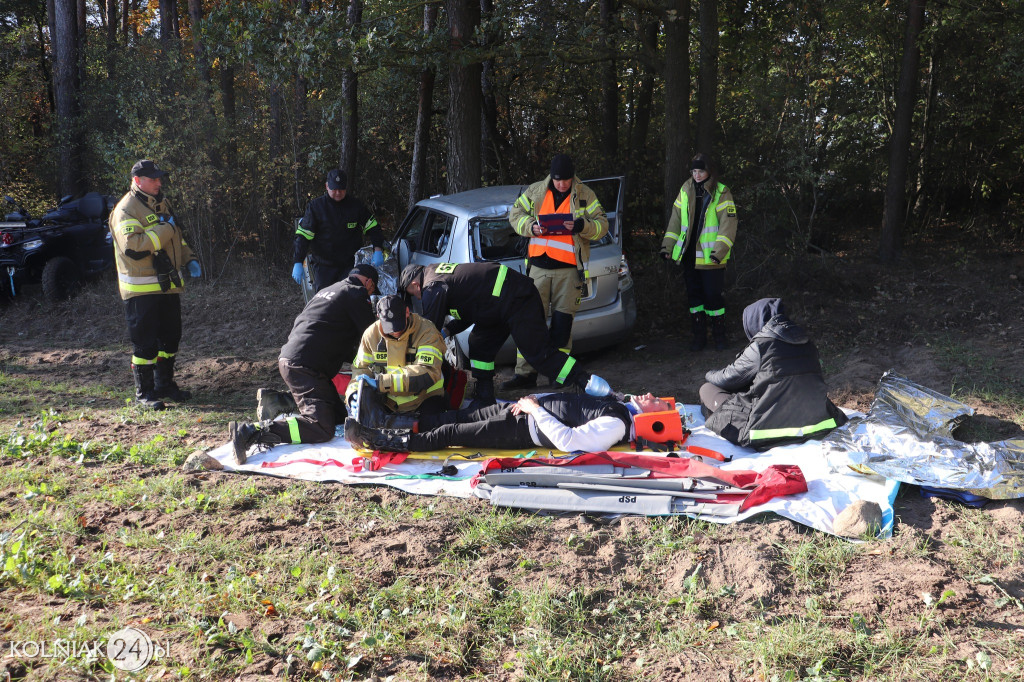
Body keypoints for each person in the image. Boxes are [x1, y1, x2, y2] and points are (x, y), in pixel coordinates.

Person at [398, 262, 612, 406]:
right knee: (479, 344)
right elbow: (470, 310)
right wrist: (447, 331)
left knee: (537, 353)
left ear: (415, 284)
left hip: (518, 300)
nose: (417, 297)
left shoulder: (432, 286)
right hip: (495, 305)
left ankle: (585, 383)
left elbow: (428, 329)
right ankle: (484, 397)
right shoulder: (439, 275)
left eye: (413, 294)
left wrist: (414, 351)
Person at [229, 264, 379, 464]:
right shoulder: (356, 292)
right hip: (305, 366)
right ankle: (253, 431)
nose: (370, 293)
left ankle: (282, 401)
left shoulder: (327, 290)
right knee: (321, 427)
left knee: (338, 418)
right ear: (369, 282)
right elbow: (370, 334)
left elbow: (324, 328)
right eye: (372, 289)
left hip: (297, 359)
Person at [503, 154, 609, 390]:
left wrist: (582, 226)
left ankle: (558, 374)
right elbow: (515, 214)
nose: (562, 184)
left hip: (569, 270)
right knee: (529, 322)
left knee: (562, 325)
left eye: (566, 180)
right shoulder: (536, 191)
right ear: (552, 176)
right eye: (558, 180)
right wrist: (530, 227)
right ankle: (524, 374)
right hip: (538, 269)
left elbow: (602, 225)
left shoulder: (585, 194)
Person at [109, 159, 202, 410]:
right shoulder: (125, 209)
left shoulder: (161, 203)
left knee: (171, 339)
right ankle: (145, 393)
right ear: (137, 181)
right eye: (153, 179)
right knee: (145, 344)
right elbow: (134, 247)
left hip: (168, 285)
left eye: (159, 178)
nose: (159, 182)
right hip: (141, 289)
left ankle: (165, 385)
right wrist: (164, 229)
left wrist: (189, 258)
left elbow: (176, 239)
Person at [698, 297, 848, 450]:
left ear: (754, 321)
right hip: (818, 422)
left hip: (767, 431)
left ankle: (713, 415)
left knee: (707, 388)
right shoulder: (807, 343)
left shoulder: (761, 346)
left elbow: (727, 379)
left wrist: (709, 374)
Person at [345, 392, 674, 453]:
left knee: (449, 433)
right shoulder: (622, 407)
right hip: (519, 410)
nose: (649, 393)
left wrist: (534, 410)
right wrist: (531, 402)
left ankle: (378, 439)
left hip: (521, 428)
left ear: (655, 417)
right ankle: (395, 423)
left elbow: (569, 442)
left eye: (655, 399)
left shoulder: (616, 425)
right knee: (452, 416)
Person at [660, 153, 738, 351]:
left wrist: (718, 252)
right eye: (694, 171)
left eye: (700, 171)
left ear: (709, 171)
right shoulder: (685, 189)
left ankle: (720, 338)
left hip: (711, 257)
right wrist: (667, 247)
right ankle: (699, 338)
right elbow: (675, 221)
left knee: (713, 298)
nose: (696, 175)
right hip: (689, 256)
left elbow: (728, 225)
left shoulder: (722, 192)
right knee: (694, 299)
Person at [344, 294, 448, 418]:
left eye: (399, 325)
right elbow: (360, 370)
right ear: (379, 318)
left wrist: (380, 383)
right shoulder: (371, 335)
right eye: (390, 328)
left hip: (424, 399)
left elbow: (427, 372)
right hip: (388, 403)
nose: (395, 331)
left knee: (429, 431)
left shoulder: (427, 331)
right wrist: (353, 394)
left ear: (407, 312)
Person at [292, 168, 384, 292]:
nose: (337, 193)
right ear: (326, 186)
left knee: (350, 300)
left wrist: (378, 249)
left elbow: (373, 227)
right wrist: (298, 261)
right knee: (325, 304)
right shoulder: (316, 207)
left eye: (341, 189)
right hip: (324, 267)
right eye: (334, 189)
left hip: (350, 266)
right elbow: (303, 237)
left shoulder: (356, 206)